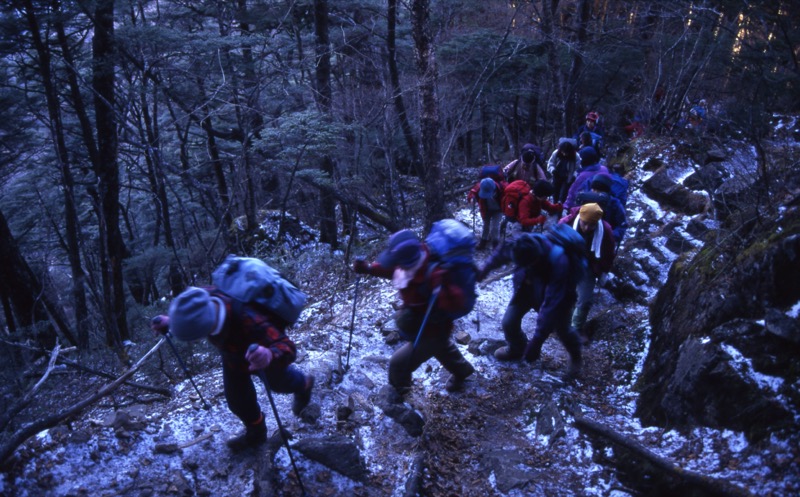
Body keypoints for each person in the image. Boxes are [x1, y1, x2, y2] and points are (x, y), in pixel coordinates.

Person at [150, 286, 315, 452]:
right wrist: (172, 321)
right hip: (233, 357)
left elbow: (288, 347)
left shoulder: (248, 318)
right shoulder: (206, 299)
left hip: (262, 355)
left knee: (281, 384)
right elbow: (192, 309)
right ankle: (257, 432)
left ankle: (305, 385)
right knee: (237, 400)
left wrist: (270, 354)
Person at [353, 230, 475, 394]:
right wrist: (368, 269)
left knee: (398, 364)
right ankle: (463, 370)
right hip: (421, 321)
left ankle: (403, 398)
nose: (394, 264)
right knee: (441, 348)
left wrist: (444, 291)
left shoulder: (434, 274)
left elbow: (458, 302)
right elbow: (390, 269)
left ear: (407, 261)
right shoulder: (409, 264)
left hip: (434, 328)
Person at [477, 229, 583, 376]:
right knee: (509, 322)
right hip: (526, 289)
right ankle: (517, 348)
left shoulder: (560, 262)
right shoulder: (520, 245)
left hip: (559, 297)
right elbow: (501, 254)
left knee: (563, 330)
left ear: (536, 259)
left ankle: (576, 357)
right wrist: (484, 270)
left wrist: (537, 341)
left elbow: (551, 305)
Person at [558, 203, 616, 343]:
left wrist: (603, 271)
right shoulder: (566, 223)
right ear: (580, 217)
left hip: (589, 266)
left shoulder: (606, 230)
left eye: (591, 225)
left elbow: (608, 254)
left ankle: (576, 328)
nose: (587, 228)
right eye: (584, 223)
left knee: (584, 299)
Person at [576, 173, 628, 244]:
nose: (596, 193)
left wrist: (609, 236)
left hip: (603, 240)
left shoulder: (615, 204)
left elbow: (622, 225)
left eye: (600, 191)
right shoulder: (585, 198)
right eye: (594, 189)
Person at [563, 145, 609, 211]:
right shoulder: (604, 169)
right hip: (605, 205)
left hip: (586, 209)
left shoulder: (582, 176)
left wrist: (565, 207)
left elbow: (572, 194)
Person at [468, 176, 505, 250]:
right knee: (486, 226)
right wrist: (471, 198)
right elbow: (473, 191)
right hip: (486, 209)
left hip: (498, 210)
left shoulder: (501, 188)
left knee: (495, 227)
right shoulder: (480, 187)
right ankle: (483, 241)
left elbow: (509, 193)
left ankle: (495, 244)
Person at [547, 138, 581, 203]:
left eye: (566, 152)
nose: (564, 154)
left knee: (564, 194)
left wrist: (574, 176)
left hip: (568, 177)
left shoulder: (576, 156)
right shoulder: (556, 153)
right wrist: (553, 170)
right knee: (555, 192)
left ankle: (561, 206)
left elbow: (578, 168)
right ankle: (555, 205)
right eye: (563, 152)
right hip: (557, 175)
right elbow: (550, 163)